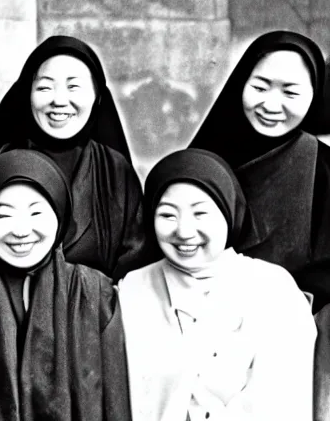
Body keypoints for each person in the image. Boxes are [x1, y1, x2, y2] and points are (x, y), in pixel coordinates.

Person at [0, 149, 130, 421]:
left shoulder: (93, 291)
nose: (21, 231)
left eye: (36, 213)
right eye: (4, 216)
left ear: (60, 215)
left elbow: (115, 402)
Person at [118, 148, 316, 421]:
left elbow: (281, 404)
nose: (184, 231)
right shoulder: (132, 288)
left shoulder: (274, 289)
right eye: (167, 215)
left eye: (201, 214)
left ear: (229, 212)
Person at [0, 35, 148, 280]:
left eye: (74, 87)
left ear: (97, 96)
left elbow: (135, 261)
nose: (59, 101)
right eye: (45, 87)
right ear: (27, 95)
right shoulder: (3, 163)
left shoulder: (114, 169)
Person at [190, 30, 330, 312]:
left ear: (314, 96)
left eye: (290, 92)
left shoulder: (323, 166)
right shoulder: (202, 160)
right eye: (260, 87)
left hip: (292, 324)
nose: (270, 105)